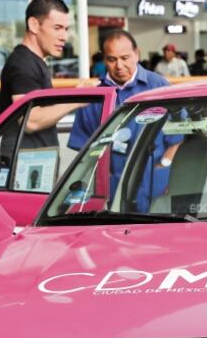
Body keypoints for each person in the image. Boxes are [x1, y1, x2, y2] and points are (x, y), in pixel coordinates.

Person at [68, 29, 183, 211]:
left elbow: (180, 135)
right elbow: (83, 148)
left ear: (137, 54)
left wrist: (164, 166)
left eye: (125, 58)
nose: (119, 66)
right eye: (112, 60)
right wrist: (102, 174)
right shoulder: (94, 96)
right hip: (110, 188)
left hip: (155, 184)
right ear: (104, 60)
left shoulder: (158, 86)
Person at [0, 0, 81, 180]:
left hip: (34, 161)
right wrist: (77, 99)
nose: (64, 37)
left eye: (66, 29)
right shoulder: (23, 64)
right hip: (25, 165)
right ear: (34, 25)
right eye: (57, 28)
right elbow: (30, 121)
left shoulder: (34, 62)